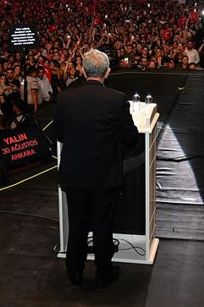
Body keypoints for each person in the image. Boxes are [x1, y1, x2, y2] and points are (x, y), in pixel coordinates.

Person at [54, 49, 138, 289]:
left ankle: (74, 272)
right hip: (104, 176)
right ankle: (104, 272)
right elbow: (131, 138)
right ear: (107, 72)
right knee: (103, 226)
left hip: (74, 174)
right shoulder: (116, 99)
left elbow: (59, 135)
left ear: (82, 70)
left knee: (77, 225)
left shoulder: (65, 98)